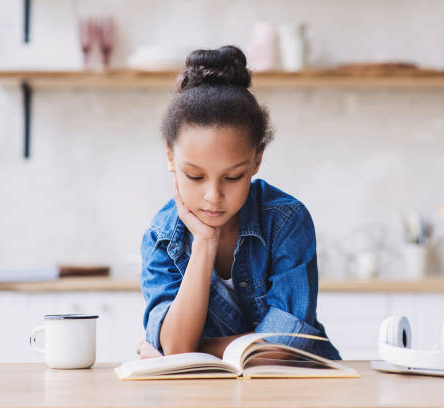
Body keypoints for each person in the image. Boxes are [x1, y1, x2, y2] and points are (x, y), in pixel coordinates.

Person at [137, 45, 341, 360]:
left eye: (232, 178)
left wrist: (200, 349)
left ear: (257, 159)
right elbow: (177, 348)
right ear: (170, 157)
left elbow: (288, 342)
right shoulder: (161, 236)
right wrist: (204, 242)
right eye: (194, 176)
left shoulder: (287, 221)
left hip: (293, 390)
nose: (213, 196)